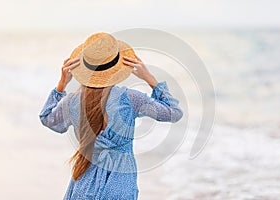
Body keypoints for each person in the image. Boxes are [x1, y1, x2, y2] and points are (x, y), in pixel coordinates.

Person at [39, 32, 183, 200]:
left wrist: (61, 84)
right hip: (120, 188)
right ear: (117, 68)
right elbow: (174, 112)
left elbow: (47, 118)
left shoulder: (72, 102)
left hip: (82, 188)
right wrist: (150, 79)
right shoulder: (130, 99)